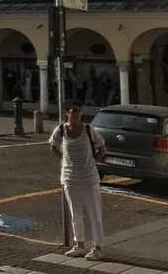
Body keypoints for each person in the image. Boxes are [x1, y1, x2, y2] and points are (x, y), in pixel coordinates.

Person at [49, 99, 107, 261]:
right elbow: (53, 145)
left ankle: (98, 247)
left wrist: (93, 161)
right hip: (70, 178)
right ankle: (80, 245)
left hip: (89, 178)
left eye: (79, 110)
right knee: (75, 214)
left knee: (95, 213)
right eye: (73, 110)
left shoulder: (89, 130)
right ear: (66, 113)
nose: (77, 113)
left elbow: (102, 148)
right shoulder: (61, 130)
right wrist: (63, 159)